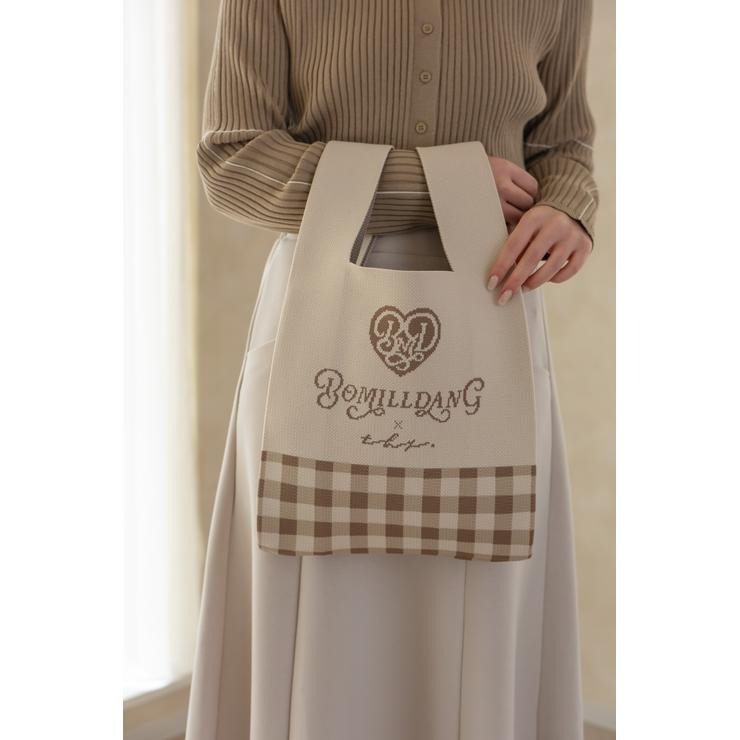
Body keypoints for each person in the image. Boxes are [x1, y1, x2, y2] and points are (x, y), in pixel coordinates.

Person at [185, 1, 598, 739]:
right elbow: (232, 159)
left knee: (485, 576)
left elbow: (563, 144)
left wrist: (569, 209)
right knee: (316, 581)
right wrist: (435, 186)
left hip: (494, 308)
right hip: (321, 308)